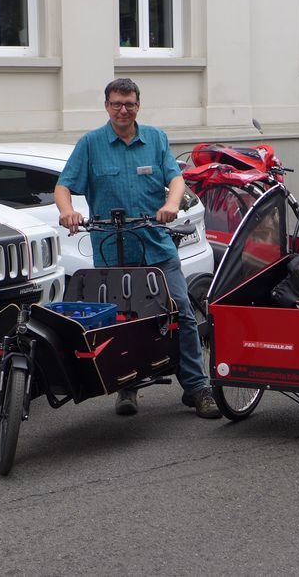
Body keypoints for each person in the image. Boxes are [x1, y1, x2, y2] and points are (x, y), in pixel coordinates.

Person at [54, 78, 221, 419]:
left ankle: (197, 388)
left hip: (156, 247)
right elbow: (63, 186)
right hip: (111, 252)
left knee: (184, 315)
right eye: (116, 103)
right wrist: (67, 211)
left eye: (129, 103)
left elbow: (176, 180)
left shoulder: (156, 139)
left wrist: (172, 204)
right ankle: (126, 387)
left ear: (138, 105)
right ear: (107, 106)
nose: (123, 110)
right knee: (121, 322)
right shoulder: (90, 144)